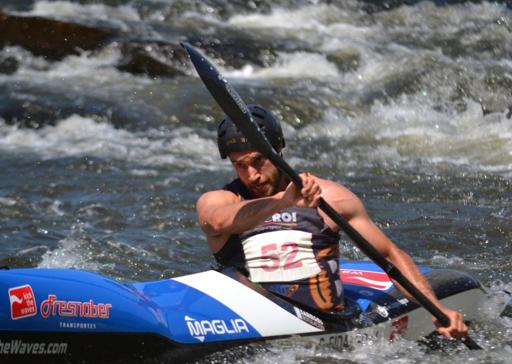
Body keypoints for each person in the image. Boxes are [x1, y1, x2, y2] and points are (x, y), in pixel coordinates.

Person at [196, 104, 468, 339]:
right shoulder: (220, 201)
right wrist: (283, 202)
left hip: (325, 324)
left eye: (258, 161)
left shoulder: (330, 198)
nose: (251, 175)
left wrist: (436, 309)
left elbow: (389, 256)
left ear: (278, 149)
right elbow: (216, 222)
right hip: (249, 319)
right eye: (239, 165)